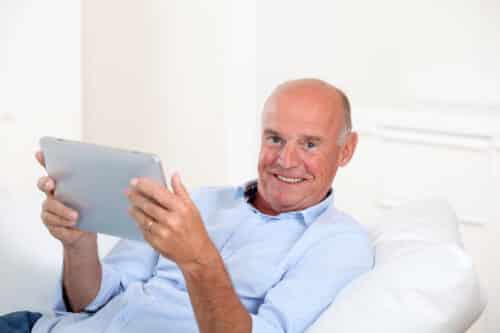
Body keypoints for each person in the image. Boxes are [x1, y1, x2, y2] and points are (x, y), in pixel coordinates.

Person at [4, 78, 374, 333]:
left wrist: (199, 259)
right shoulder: (197, 201)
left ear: (346, 150)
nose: (286, 160)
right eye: (274, 139)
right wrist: (79, 242)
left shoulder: (338, 244)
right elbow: (91, 301)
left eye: (309, 144)